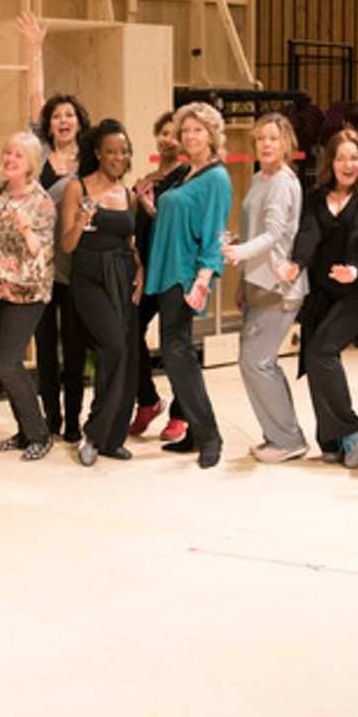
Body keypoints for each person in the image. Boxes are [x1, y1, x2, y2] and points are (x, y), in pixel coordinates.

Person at [285, 129, 358, 469]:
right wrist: (296, 264)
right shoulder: (315, 197)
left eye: (355, 157)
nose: (349, 164)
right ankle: (330, 437)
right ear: (330, 161)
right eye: (341, 157)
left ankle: (351, 427)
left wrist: (354, 269)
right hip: (324, 289)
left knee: (322, 350)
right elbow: (308, 233)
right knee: (315, 358)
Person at [143, 102, 233, 469]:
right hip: (167, 271)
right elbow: (181, 214)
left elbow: (213, 232)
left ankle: (210, 435)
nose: (189, 136)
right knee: (174, 351)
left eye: (197, 130)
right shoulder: (186, 174)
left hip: (185, 275)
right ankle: (196, 432)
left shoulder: (216, 178)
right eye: (185, 130)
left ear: (212, 135)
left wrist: (202, 279)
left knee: (176, 351)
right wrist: (154, 209)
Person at [18, 11, 90, 441]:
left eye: (69, 116)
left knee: (75, 347)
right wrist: (35, 50)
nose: (63, 120)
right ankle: (51, 418)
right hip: (43, 266)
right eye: (57, 116)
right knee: (45, 348)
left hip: (77, 266)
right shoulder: (41, 152)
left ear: (80, 122)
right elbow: (35, 97)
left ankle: (75, 419)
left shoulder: (90, 160)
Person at [220, 112, 308, 463]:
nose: (265, 145)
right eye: (260, 139)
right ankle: (279, 434)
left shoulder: (284, 182)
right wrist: (242, 281)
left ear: (286, 143)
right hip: (256, 281)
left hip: (279, 285)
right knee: (258, 363)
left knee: (256, 362)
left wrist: (238, 253)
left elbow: (273, 235)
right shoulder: (259, 178)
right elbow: (254, 226)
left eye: (272, 139)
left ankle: (288, 438)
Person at [62, 119, 143, 465]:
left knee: (127, 355)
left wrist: (140, 268)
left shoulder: (129, 196)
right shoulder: (77, 188)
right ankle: (93, 432)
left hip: (123, 277)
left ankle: (111, 437)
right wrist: (81, 221)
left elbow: (130, 241)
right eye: (111, 151)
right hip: (89, 279)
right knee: (112, 345)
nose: (118, 157)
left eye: (124, 152)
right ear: (97, 152)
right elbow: (67, 244)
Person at [0, 133, 56, 460]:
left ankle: (39, 434)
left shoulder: (41, 202)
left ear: (31, 164)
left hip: (26, 291)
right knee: (3, 364)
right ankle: (24, 432)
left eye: (17, 156)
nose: (8, 159)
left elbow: (41, 250)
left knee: (9, 363)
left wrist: (26, 230)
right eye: (7, 152)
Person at [130, 111, 190, 440]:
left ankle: (182, 413)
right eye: (163, 133)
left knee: (174, 343)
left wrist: (155, 209)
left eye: (174, 134)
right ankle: (148, 400)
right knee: (130, 331)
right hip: (147, 271)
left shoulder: (187, 179)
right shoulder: (147, 179)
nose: (168, 139)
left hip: (174, 271)